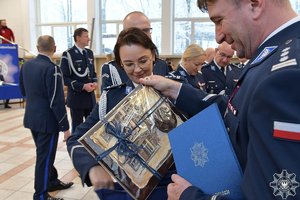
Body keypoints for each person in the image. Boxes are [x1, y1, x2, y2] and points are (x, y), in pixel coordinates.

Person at [139, 0, 300, 199]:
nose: (218, 36)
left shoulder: (285, 77)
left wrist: (188, 196)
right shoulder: (275, 54)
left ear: (255, 4)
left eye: (219, 20)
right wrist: (176, 90)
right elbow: (242, 113)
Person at [67, 27, 177, 200]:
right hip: (131, 190)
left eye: (143, 61)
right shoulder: (111, 98)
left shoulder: (175, 89)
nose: (137, 69)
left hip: (173, 187)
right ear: (120, 64)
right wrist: (92, 167)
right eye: (129, 64)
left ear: (154, 55)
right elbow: (76, 139)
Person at [19, 35, 73, 200]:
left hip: (32, 118)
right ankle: (41, 195)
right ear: (55, 48)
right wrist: (65, 127)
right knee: (45, 157)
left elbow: (23, 92)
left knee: (44, 154)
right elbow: (56, 101)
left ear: (37, 47)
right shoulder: (53, 68)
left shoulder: (26, 66)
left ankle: (52, 181)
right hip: (47, 122)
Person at [100, 11, 173, 92]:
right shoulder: (112, 69)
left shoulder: (162, 65)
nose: (141, 35)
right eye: (135, 32)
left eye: (146, 30)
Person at [60, 28, 98, 133]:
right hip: (77, 98)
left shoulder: (89, 53)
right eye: (86, 36)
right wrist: (82, 86)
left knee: (92, 128)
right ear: (78, 38)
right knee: (78, 129)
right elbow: (64, 78)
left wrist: (95, 82)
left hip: (90, 98)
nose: (88, 39)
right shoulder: (68, 54)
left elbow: (92, 72)